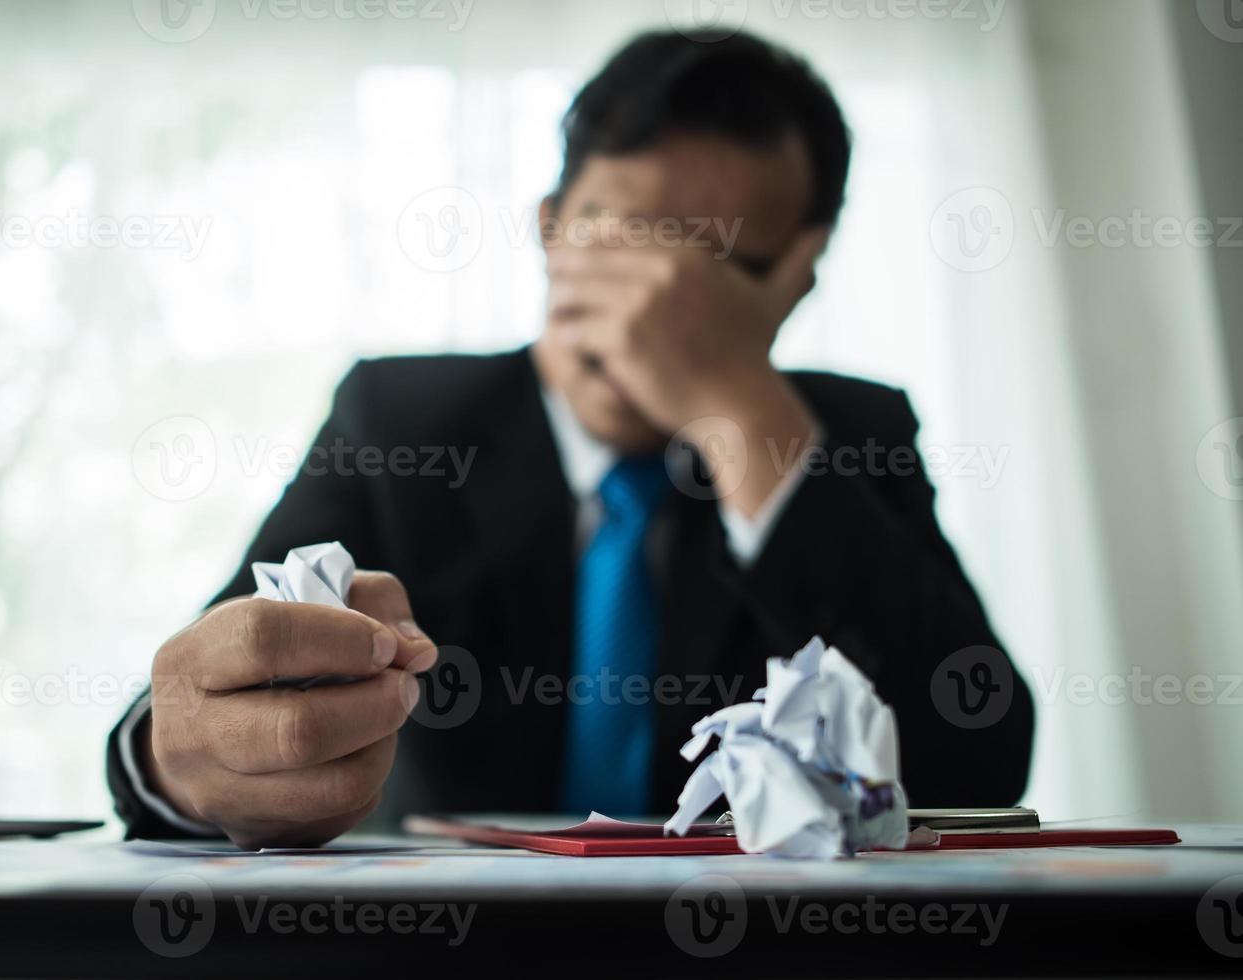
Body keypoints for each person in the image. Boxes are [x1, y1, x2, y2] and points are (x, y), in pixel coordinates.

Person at [107, 29, 1034, 849]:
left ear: (795, 282)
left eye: (719, 273)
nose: (654, 311)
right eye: (627, 242)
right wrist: (184, 759)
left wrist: (743, 411)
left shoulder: (849, 437)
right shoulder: (401, 423)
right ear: (549, 229)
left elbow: (976, 759)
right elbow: (200, 706)